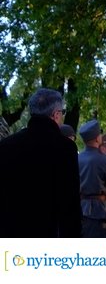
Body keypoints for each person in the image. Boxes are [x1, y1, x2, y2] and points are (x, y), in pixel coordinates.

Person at [0, 87, 81, 237]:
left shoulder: (6, 145)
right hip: (47, 233)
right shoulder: (65, 148)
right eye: (62, 113)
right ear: (56, 115)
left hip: (10, 231)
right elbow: (70, 202)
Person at [79, 118, 106, 237]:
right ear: (97, 138)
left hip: (79, 208)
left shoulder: (77, 158)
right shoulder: (103, 160)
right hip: (97, 211)